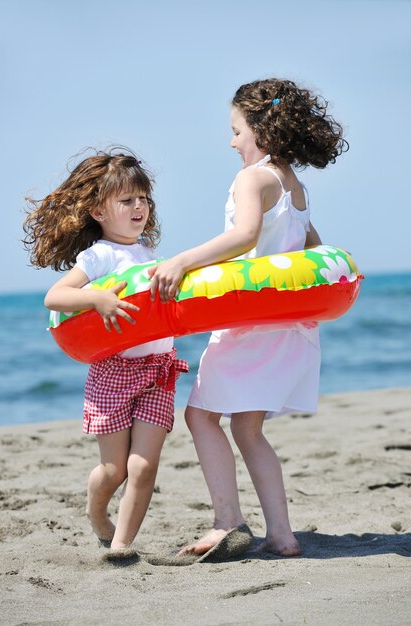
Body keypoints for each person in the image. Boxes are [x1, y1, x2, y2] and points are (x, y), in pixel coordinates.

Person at [149, 78, 348, 559]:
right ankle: (281, 535)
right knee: (248, 428)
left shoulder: (252, 177)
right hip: (289, 327)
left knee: (199, 416)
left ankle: (227, 522)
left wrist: (182, 261)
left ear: (260, 129)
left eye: (236, 130)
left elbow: (243, 237)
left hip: (251, 325)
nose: (231, 141)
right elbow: (312, 249)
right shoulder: (293, 185)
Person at [23, 148, 188, 562]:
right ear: (98, 210)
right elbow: (55, 296)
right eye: (127, 200)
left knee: (143, 467)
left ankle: (121, 546)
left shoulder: (151, 252)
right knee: (113, 471)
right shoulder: (99, 256)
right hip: (113, 371)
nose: (139, 208)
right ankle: (97, 515)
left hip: (158, 369)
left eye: (144, 199)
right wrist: (96, 298)